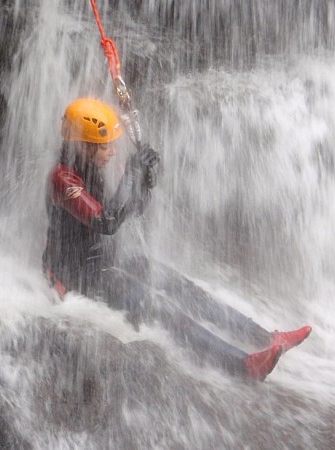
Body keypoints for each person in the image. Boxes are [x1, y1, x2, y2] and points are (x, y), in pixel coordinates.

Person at [43, 97, 311, 381]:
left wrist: (145, 183)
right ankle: (242, 366)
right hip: (77, 275)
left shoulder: (91, 169)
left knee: (181, 286)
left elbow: (131, 211)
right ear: (83, 147)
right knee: (156, 305)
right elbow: (106, 222)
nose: (112, 151)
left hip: (105, 260)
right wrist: (132, 175)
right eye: (105, 146)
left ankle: (265, 338)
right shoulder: (62, 179)